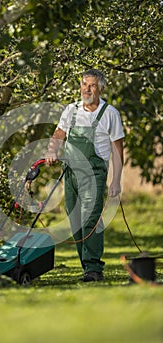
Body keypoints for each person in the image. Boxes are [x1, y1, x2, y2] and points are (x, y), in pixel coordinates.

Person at [45, 69, 124, 282]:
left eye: (93, 85)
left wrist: (116, 180)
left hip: (95, 174)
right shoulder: (71, 110)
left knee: (90, 219)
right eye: (84, 84)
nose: (87, 89)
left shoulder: (110, 114)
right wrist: (52, 151)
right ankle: (87, 267)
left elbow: (117, 150)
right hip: (71, 173)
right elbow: (59, 134)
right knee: (76, 221)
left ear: (101, 88)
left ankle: (94, 268)